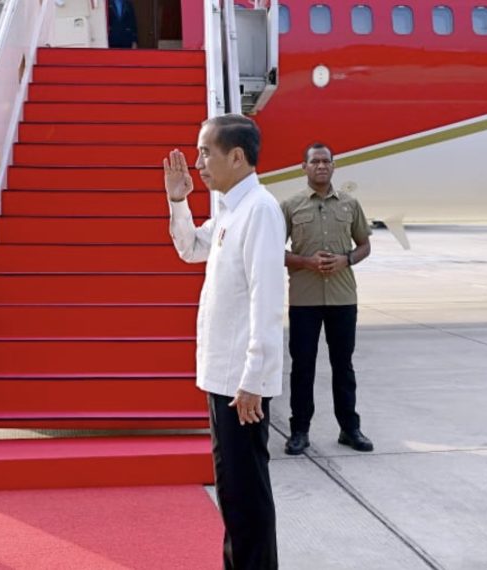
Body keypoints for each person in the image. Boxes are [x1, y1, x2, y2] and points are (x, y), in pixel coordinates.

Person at [164, 114, 283, 569]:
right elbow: (190, 248)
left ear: (237, 156)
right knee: (232, 491)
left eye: (206, 152)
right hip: (223, 376)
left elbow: (267, 301)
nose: (198, 163)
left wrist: (254, 378)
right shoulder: (231, 210)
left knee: (247, 494)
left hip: (241, 384)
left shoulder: (261, 211)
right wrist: (179, 203)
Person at [280, 143, 373, 455]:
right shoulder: (291, 206)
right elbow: (274, 250)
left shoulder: (350, 204)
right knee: (302, 367)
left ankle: (350, 428)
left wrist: (345, 260)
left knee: (342, 366)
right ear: (303, 167)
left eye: (326, 161)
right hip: (304, 300)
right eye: (315, 161)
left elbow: (364, 245)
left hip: (343, 298)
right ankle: (299, 431)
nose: (321, 166)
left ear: (333, 166)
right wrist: (305, 262)